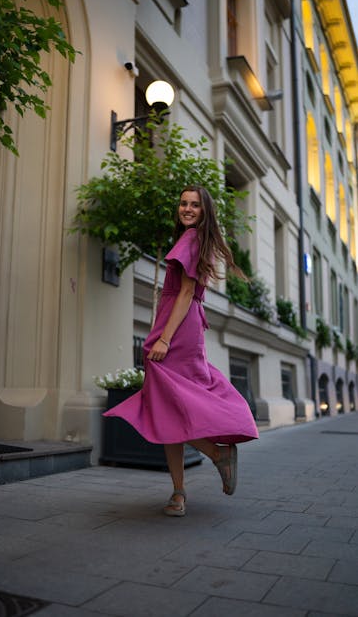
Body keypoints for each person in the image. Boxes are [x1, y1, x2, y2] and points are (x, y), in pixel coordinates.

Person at [104, 185, 259, 517]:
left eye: (195, 205)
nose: (187, 209)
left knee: (167, 403)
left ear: (205, 212)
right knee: (167, 405)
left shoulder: (191, 240)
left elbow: (187, 291)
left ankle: (217, 456)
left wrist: (163, 339)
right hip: (181, 322)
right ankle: (178, 492)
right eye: (183, 203)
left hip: (178, 325)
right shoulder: (194, 240)